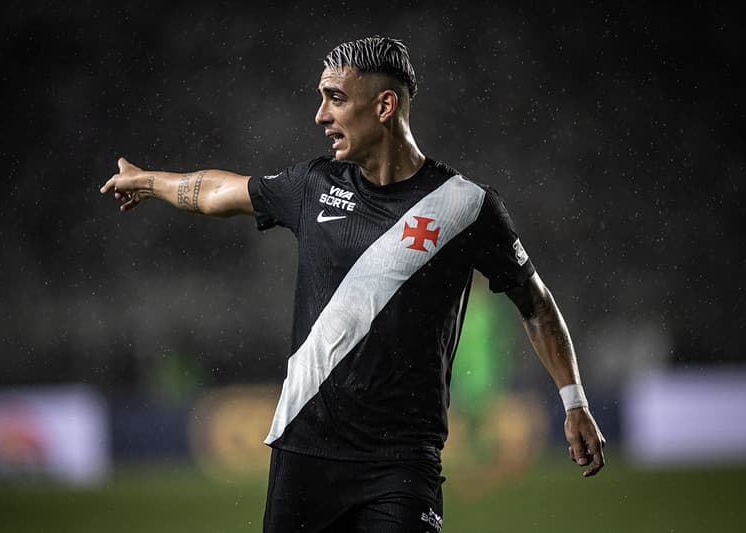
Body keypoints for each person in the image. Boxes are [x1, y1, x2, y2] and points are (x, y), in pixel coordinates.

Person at [101, 36, 605, 532]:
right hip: (305, 454)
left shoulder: (467, 206)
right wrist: (148, 182)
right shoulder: (313, 185)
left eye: (336, 98)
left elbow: (535, 304)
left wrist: (574, 401)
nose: (320, 115)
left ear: (385, 106)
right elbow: (219, 192)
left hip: (403, 464)